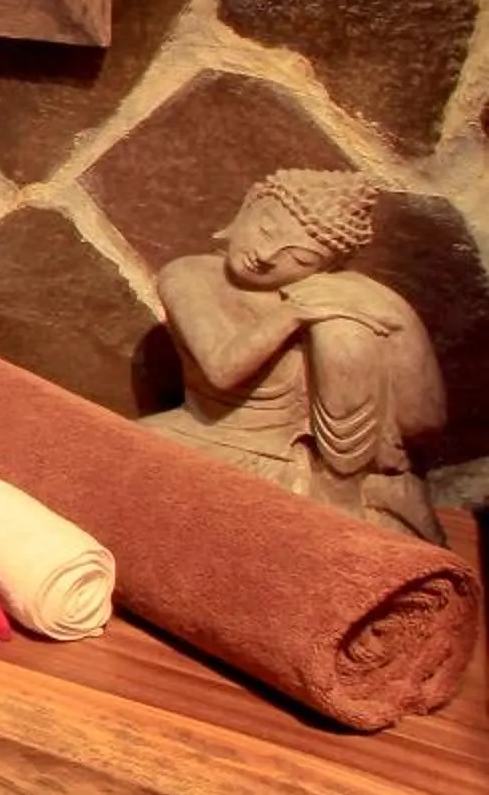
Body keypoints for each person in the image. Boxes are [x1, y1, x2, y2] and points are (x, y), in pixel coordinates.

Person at [145, 168, 446, 541]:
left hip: (310, 467)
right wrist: (291, 314)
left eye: (301, 260)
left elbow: (423, 424)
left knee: (345, 333)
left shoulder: (332, 300)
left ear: (327, 267)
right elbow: (221, 369)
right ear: (249, 204)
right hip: (213, 439)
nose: (266, 256)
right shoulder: (190, 275)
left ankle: (340, 498)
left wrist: (402, 324)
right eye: (267, 230)